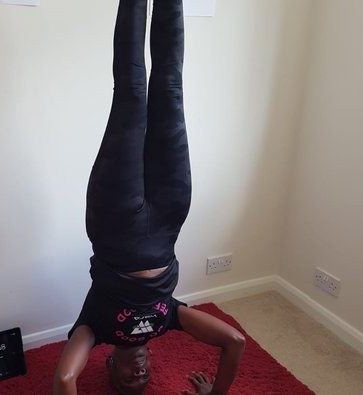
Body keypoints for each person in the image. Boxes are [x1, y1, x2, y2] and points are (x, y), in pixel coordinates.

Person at [53, 1, 245, 394]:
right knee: (170, 87)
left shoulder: (96, 328)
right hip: (169, 217)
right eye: (144, 379)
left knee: (131, 90)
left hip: (115, 221)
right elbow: (234, 342)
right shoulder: (167, 320)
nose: (138, 376)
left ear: (109, 364)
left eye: (127, 380)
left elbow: (65, 377)